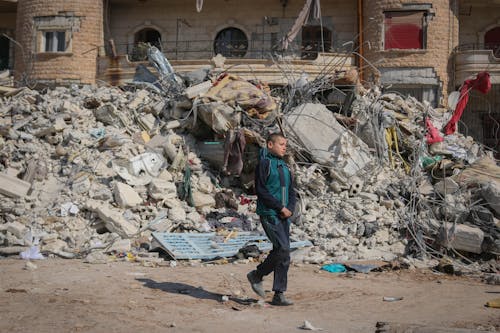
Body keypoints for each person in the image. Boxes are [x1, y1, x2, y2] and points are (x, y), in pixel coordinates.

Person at [247, 132, 296, 306]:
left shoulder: (285, 166)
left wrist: (289, 209)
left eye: (285, 144)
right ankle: (258, 275)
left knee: (283, 252)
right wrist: (279, 207)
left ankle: (278, 294)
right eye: (281, 144)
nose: (284, 147)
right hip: (269, 213)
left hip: (284, 215)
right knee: (282, 249)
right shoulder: (265, 164)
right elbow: (261, 190)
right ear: (269, 145)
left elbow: (292, 191)